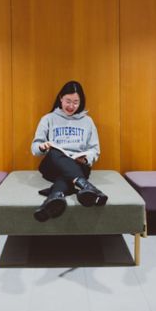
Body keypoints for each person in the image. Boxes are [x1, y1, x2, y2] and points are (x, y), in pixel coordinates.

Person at [31, 80, 108, 222]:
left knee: (67, 175)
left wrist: (85, 159)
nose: (71, 106)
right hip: (52, 165)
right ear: (60, 98)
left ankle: (55, 196)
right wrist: (42, 147)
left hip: (78, 165)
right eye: (68, 101)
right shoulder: (48, 119)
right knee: (55, 152)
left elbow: (95, 149)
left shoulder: (87, 121)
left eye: (76, 102)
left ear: (81, 102)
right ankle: (85, 186)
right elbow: (35, 147)